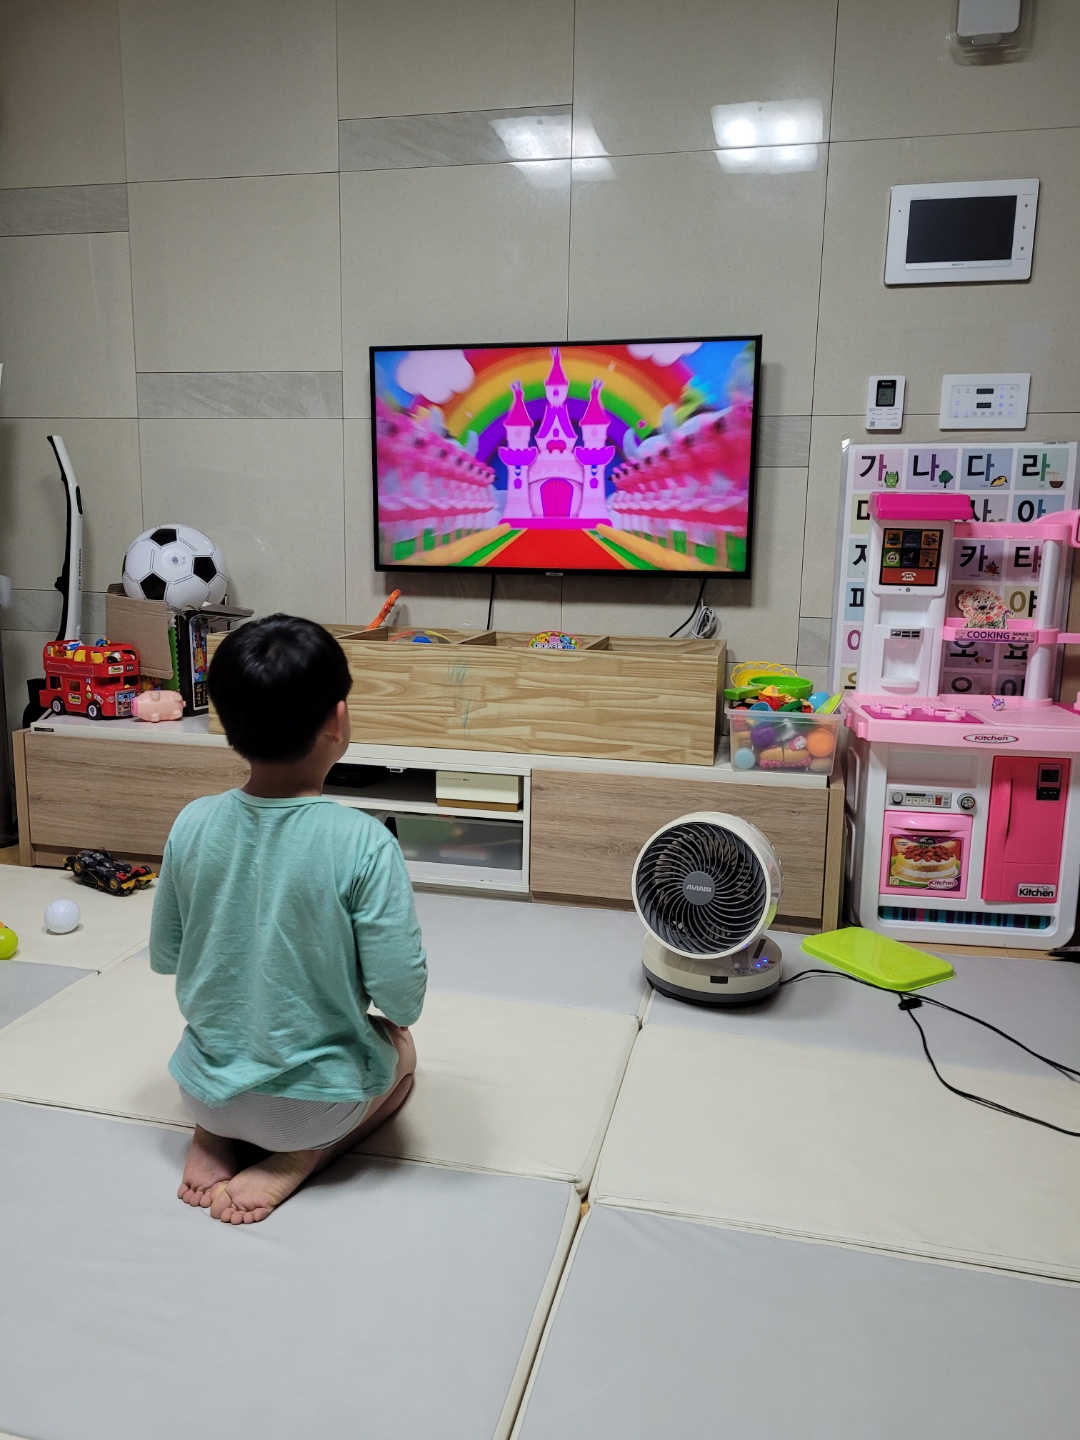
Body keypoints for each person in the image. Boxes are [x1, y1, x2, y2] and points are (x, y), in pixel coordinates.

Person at [150, 614, 426, 1224]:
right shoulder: (363, 842)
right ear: (338, 719)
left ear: (226, 722)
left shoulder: (192, 823)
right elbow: (402, 997)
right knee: (402, 1055)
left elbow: (166, 955)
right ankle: (303, 1157)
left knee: (237, 1035)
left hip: (203, 1091)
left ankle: (213, 1136)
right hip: (313, 1111)